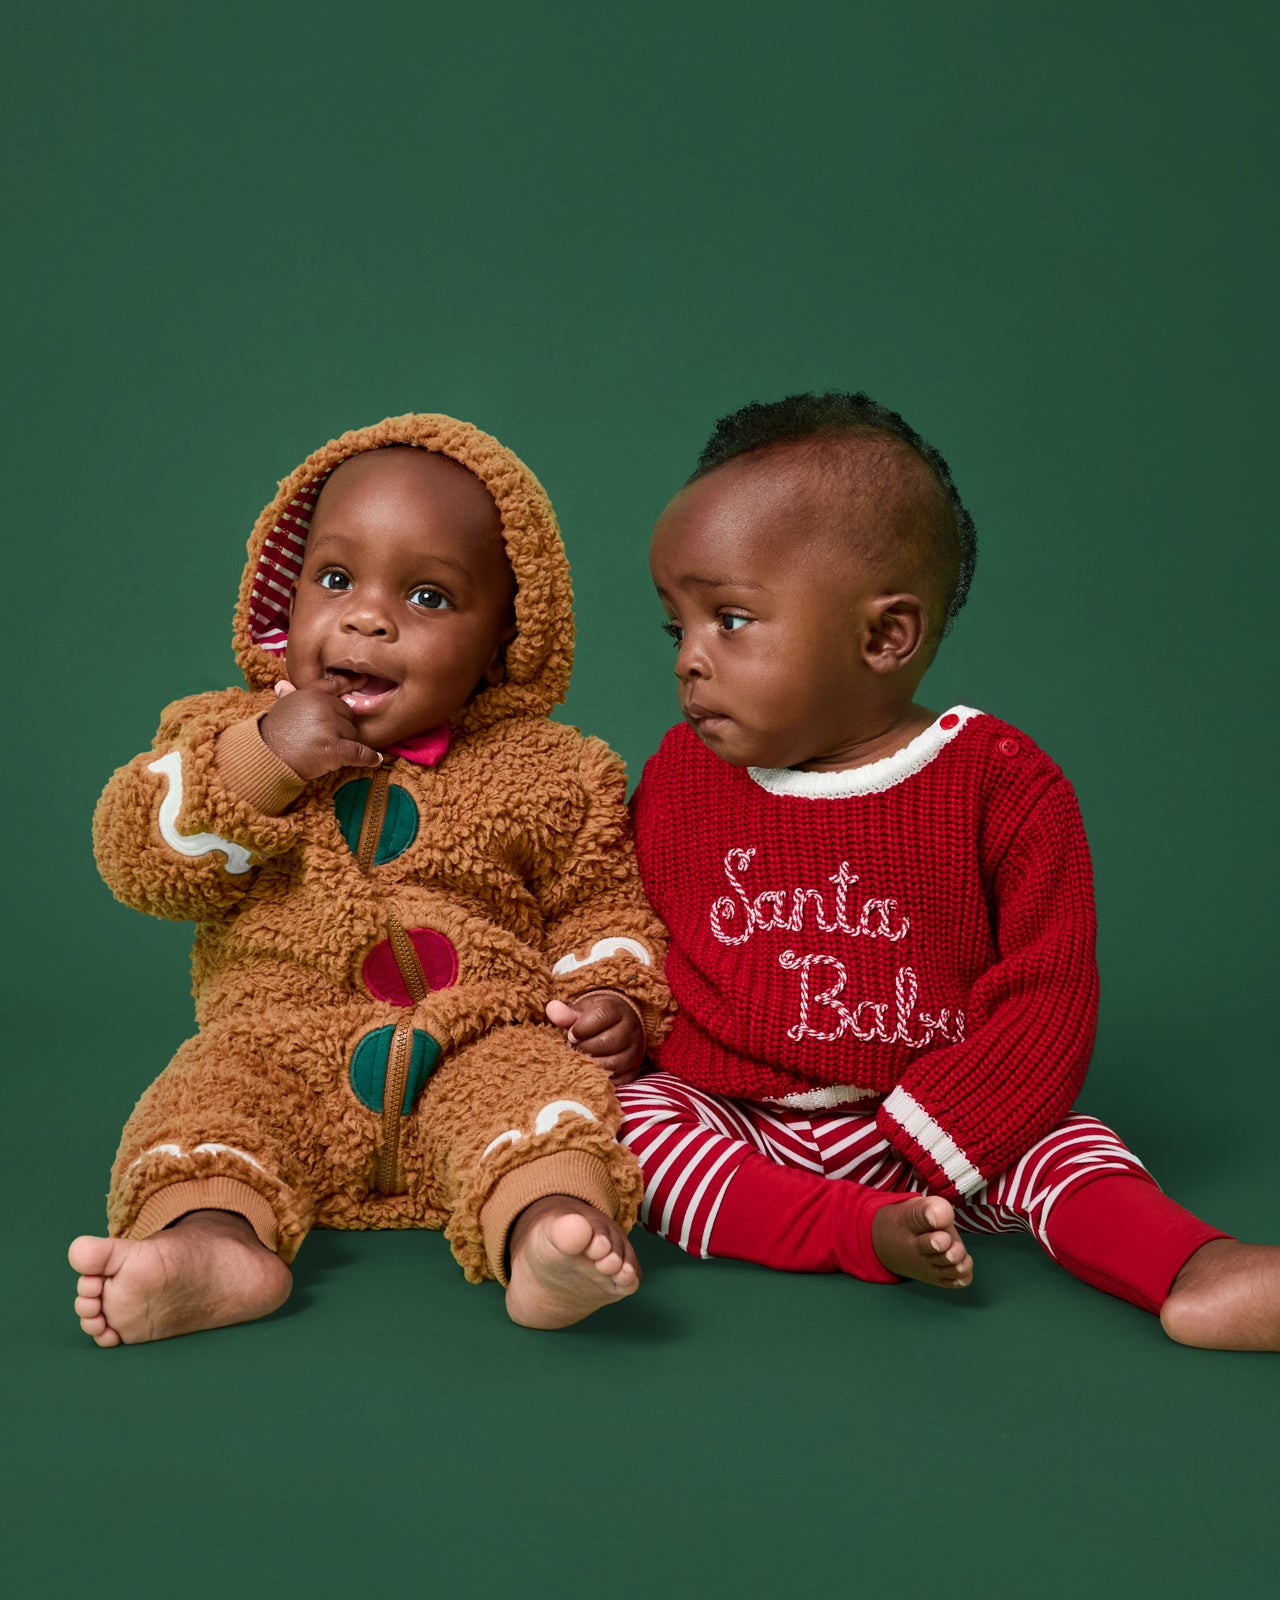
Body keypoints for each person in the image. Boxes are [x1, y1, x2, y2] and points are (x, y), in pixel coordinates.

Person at [616, 391, 1280, 1351]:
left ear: (886, 637)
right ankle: (854, 1235)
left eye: (731, 619)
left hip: (942, 1120)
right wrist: (622, 1012)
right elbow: (635, 921)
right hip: (741, 1116)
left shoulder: (1000, 784)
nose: (690, 660)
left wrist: (948, 1133)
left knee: (1069, 1145)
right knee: (633, 1125)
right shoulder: (681, 777)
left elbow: (1050, 990)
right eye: (674, 626)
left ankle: (1189, 1266)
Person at [70, 413, 670, 1345]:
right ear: (288, 592)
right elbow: (139, 857)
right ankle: (212, 1244)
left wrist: (615, 997)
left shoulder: (553, 769)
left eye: (428, 597)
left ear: (503, 641)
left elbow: (604, 905)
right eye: (336, 578)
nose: (367, 616)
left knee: (543, 1095)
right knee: (206, 1099)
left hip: (474, 1040)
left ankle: (551, 1233)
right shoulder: (220, 735)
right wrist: (260, 763)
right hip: (277, 1041)